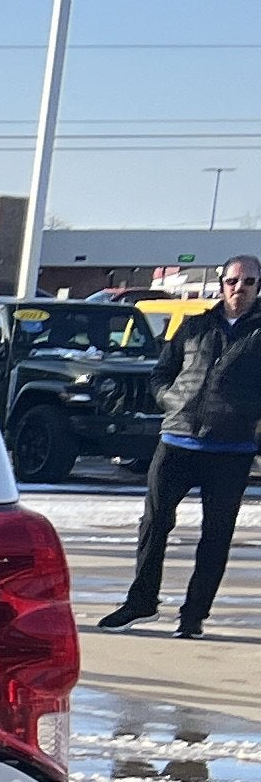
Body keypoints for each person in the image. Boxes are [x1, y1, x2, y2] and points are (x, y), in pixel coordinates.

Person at [98, 256, 261, 634]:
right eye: (234, 281)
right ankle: (140, 603)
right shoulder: (195, 325)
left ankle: (193, 616)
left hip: (230, 450)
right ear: (222, 283)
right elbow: (161, 373)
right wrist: (170, 399)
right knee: (154, 523)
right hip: (177, 441)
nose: (241, 289)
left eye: (250, 282)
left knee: (216, 536)